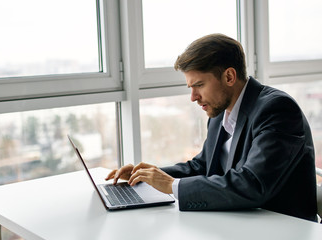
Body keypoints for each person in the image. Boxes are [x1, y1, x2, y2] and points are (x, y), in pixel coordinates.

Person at [105, 33, 317, 222]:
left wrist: (171, 186)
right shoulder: (219, 112)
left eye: (199, 85)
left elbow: (253, 184)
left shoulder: (277, 109)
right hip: (238, 220)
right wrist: (149, 175)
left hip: (281, 228)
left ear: (229, 76)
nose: (193, 97)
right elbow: (203, 166)